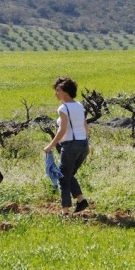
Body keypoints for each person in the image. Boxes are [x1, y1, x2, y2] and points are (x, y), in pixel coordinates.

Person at [43, 76, 90, 215]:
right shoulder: (79, 106)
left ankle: (65, 211)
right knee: (68, 175)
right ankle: (81, 201)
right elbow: (85, 126)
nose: (56, 93)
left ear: (65, 91)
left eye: (58, 90)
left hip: (70, 146)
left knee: (62, 177)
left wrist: (50, 145)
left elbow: (62, 130)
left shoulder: (63, 108)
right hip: (83, 144)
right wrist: (86, 144)